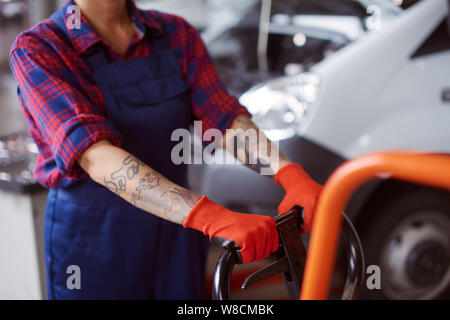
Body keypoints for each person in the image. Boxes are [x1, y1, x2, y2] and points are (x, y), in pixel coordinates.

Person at [9, 0, 322, 299]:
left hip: (177, 235)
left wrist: (287, 172)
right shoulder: (40, 48)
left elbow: (224, 119)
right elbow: (97, 156)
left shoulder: (174, 33)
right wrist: (210, 216)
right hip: (94, 243)